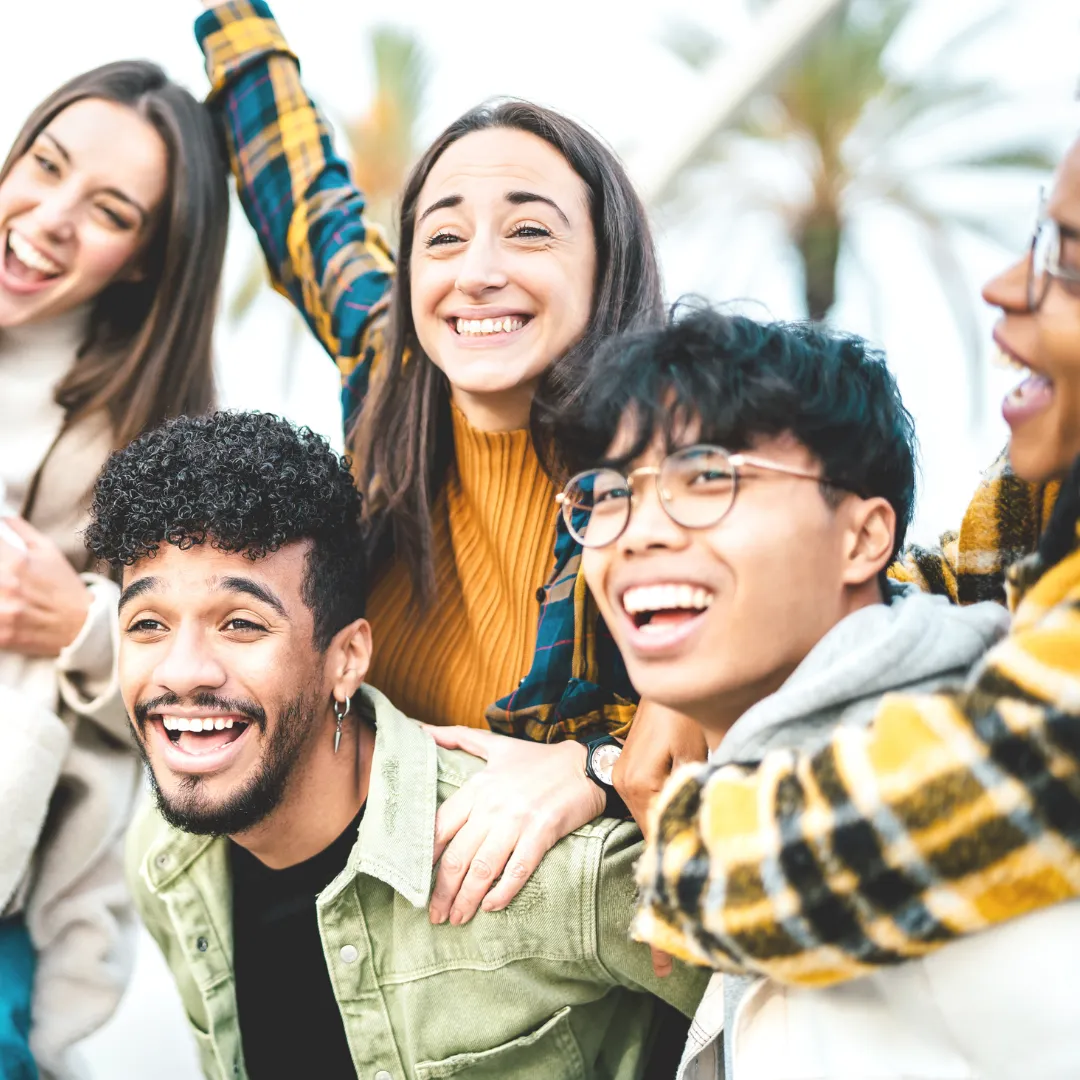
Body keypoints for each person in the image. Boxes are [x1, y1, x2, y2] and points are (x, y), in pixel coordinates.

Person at [191, 0, 708, 936]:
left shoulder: (671, 468)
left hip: (566, 950)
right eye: (442, 237)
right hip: (358, 908)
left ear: (606, 263)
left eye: (530, 232)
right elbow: (301, 193)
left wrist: (594, 766)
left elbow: (811, 646)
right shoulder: (390, 364)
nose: (476, 272)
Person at [624, 142, 1080, 1079]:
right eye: (610, 494)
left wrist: (686, 833)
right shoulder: (1029, 540)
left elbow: (1034, 750)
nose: (640, 530)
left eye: (1065, 255)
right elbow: (946, 584)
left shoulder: (985, 905)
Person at [90, 409, 708, 1080]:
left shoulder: (549, 871)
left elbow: (801, 1013)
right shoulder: (163, 858)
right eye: (147, 624)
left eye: (240, 624)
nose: (182, 671)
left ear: (347, 658)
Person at [0, 61, 228, 1077]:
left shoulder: (147, 439)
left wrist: (83, 623)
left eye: (108, 212)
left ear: (144, 260)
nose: (49, 218)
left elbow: (209, 657)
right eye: (43, 167)